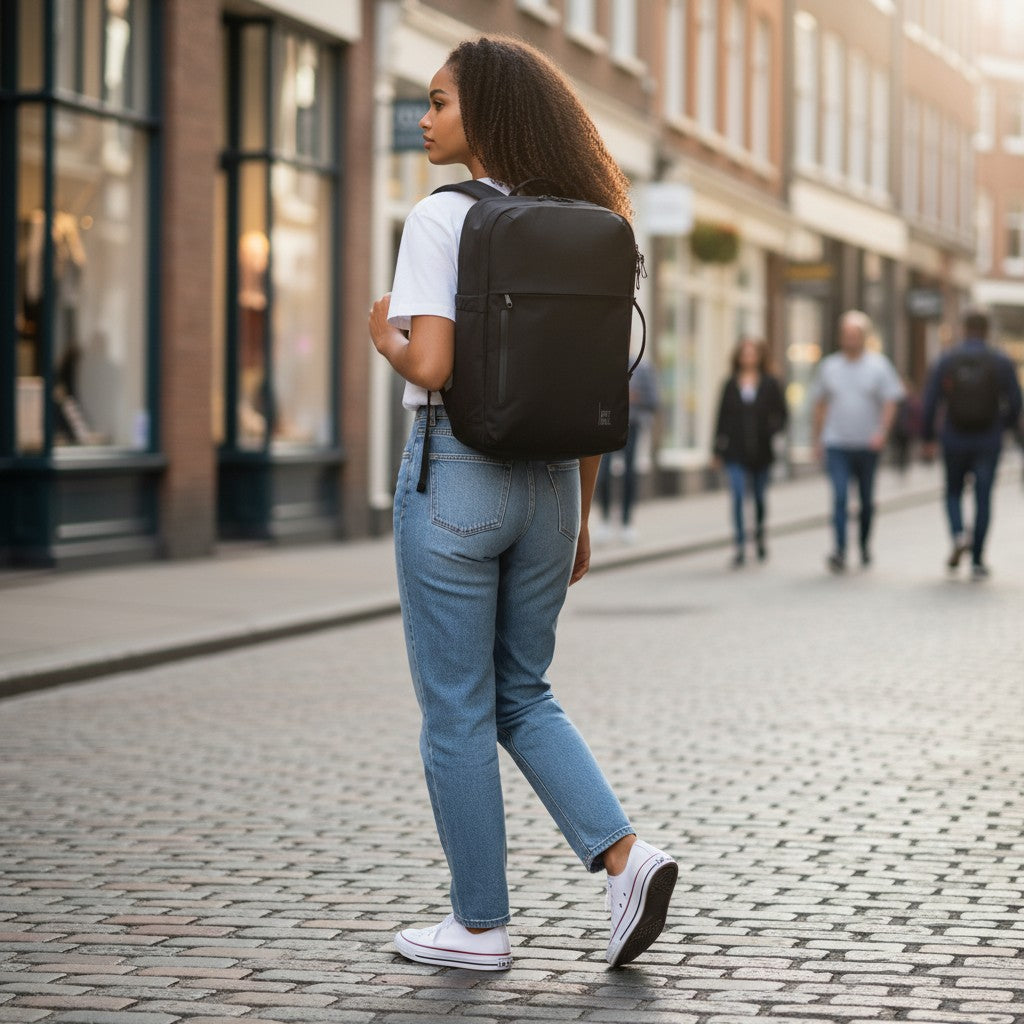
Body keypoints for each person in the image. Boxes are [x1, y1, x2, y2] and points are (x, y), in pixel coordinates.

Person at [367, 36, 677, 973]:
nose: (425, 119)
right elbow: (595, 393)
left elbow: (434, 364)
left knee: (456, 708)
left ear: (486, 116)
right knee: (523, 693)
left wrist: (382, 331)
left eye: (440, 103)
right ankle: (628, 860)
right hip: (552, 490)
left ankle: (478, 926)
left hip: (456, 476)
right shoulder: (587, 220)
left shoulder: (440, 217)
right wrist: (580, 515)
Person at [921, 308, 1022, 579]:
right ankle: (977, 559)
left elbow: (930, 401)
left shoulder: (948, 359)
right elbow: (1015, 402)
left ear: (964, 329)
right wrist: (1006, 426)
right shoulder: (1000, 361)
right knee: (983, 497)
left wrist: (927, 438)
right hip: (988, 439)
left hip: (954, 437)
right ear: (987, 330)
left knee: (953, 491)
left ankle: (957, 535)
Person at [810, 310, 905, 572]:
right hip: (836, 442)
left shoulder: (879, 366)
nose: (850, 339)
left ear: (864, 337)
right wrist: (817, 440)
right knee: (839, 496)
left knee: (865, 500)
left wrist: (882, 432)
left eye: (855, 334)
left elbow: (891, 401)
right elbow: (819, 404)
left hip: (867, 444)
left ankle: (863, 544)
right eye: (846, 334)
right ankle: (839, 549)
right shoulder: (829, 366)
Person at [712, 337, 788, 567]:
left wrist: (771, 430)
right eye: (744, 353)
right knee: (736, 495)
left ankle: (760, 536)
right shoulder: (730, 384)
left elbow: (783, 415)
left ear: (759, 356)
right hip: (735, 450)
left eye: (752, 353)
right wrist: (716, 449)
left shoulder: (770, 383)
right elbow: (721, 418)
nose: (748, 357)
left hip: (761, 450)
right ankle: (740, 544)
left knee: (758, 497)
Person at [593, 355, 659, 546]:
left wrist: (635, 398)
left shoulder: (643, 367)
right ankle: (604, 520)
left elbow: (654, 400)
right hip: (605, 426)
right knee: (602, 473)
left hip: (632, 426)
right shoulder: (603, 365)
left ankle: (627, 522)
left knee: (629, 474)